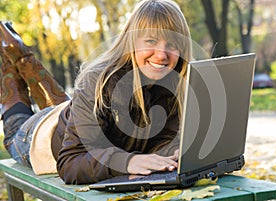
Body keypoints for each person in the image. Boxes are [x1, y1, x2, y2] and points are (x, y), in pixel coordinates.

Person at [0, 0, 192, 184]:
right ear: (131, 41)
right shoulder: (98, 81)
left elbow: (159, 142)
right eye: (151, 41)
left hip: (73, 115)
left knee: (66, 107)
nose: (162, 54)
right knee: (14, 126)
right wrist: (127, 162)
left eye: (172, 44)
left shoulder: (174, 85)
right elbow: (70, 162)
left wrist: (173, 151)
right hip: (40, 137)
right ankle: (12, 63)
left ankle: (23, 59)